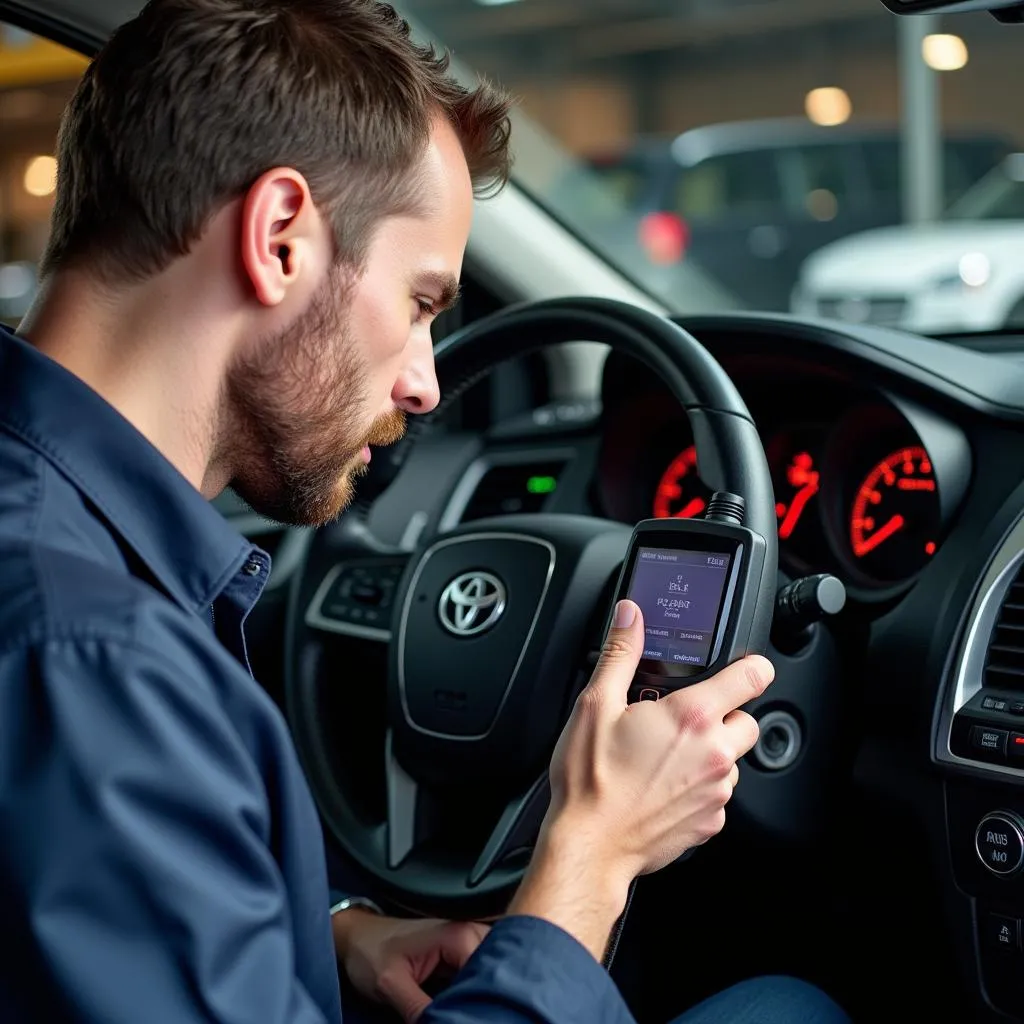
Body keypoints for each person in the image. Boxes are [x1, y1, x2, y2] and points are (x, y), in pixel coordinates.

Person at [0, 2, 851, 1023]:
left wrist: (328, 935)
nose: (425, 385)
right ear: (278, 238)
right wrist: (590, 854)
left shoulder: (61, 557)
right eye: (419, 303)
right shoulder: (92, 659)